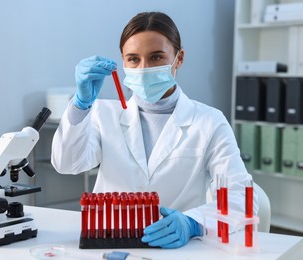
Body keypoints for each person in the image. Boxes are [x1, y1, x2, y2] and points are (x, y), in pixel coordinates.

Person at [51, 11, 258, 248]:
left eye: (157, 57)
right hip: (110, 243)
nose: (144, 67)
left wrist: (192, 223)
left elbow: (243, 198)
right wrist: (80, 105)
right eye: (133, 59)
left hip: (177, 247)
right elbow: (67, 164)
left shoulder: (209, 122)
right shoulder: (102, 113)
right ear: (123, 62)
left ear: (179, 58)